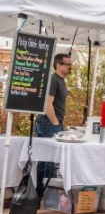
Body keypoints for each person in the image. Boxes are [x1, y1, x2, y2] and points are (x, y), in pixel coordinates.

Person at [36, 52, 72, 194]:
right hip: (48, 123)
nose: (71, 66)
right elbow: (47, 104)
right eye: (68, 64)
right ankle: (42, 193)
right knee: (47, 160)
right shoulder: (53, 80)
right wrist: (56, 123)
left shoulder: (60, 80)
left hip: (52, 122)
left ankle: (44, 193)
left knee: (49, 159)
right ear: (58, 65)